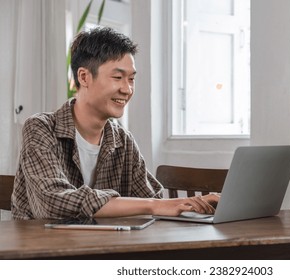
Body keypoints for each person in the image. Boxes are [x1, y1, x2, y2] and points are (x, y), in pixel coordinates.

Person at [11, 27, 219, 220]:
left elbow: (154, 201)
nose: (127, 89)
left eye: (131, 79)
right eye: (118, 77)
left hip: (105, 252)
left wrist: (191, 205)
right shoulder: (41, 128)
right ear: (84, 77)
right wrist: (152, 205)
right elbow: (54, 202)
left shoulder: (122, 140)